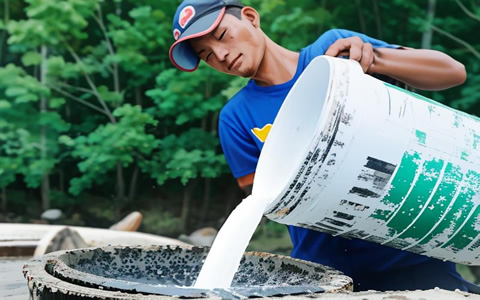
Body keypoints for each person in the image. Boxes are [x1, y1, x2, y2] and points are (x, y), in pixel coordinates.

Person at [169, 0, 476, 292]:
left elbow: (452, 72)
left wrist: (375, 59)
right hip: (325, 273)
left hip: (407, 250)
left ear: (250, 17)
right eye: (206, 55)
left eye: (222, 36)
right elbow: (265, 201)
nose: (220, 55)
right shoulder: (236, 118)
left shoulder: (333, 51)